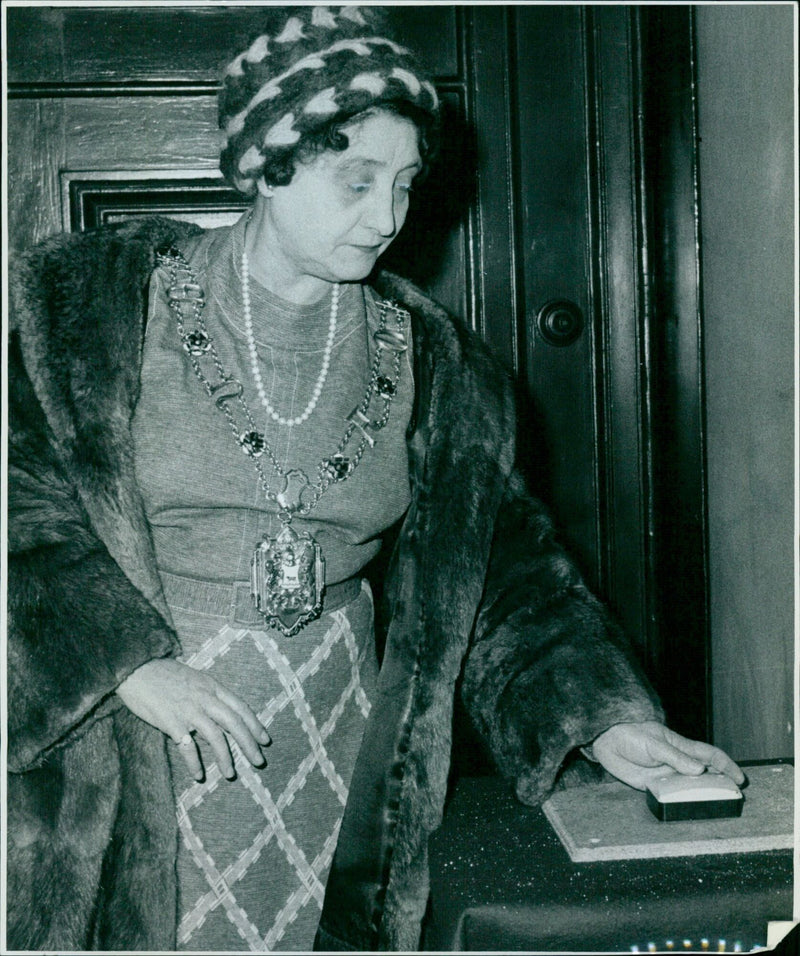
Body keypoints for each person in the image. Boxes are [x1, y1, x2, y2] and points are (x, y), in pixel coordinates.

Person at [6, 6, 744, 953]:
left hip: (339, 752)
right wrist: (125, 664)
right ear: (269, 166)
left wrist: (601, 725)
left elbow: (507, 578)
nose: (388, 217)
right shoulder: (84, 312)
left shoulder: (440, 363)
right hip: (136, 738)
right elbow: (16, 507)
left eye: (403, 183)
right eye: (356, 181)